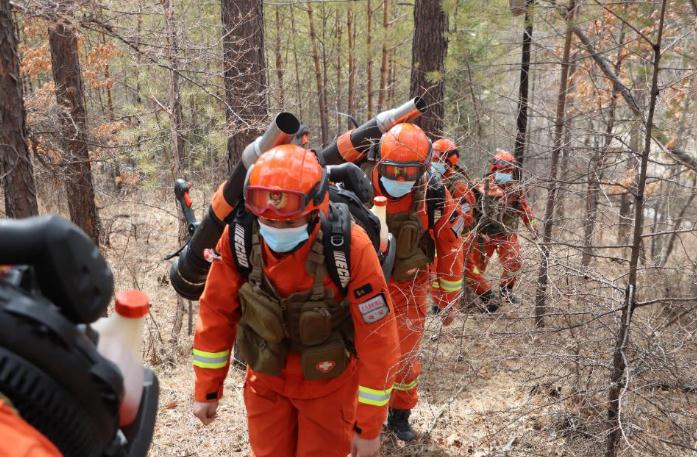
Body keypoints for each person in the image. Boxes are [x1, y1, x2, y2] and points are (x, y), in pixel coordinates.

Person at [191, 144, 400, 457]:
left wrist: (368, 427)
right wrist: (207, 388)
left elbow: (378, 338)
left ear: (316, 211)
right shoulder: (239, 238)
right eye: (268, 221)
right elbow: (216, 312)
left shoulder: (348, 246)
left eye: (289, 223)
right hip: (266, 383)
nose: (277, 229)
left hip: (329, 388)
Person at [355, 123, 465, 441]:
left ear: (424, 168)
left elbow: (450, 245)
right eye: (393, 171)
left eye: (409, 173)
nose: (400, 179)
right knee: (359, 357)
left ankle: (400, 415)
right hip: (363, 289)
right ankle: (359, 418)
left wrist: (448, 300)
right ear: (379, 161)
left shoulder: (434, 192)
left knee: (404, 358)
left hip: (409, 286)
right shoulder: (358, 183)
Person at [469, 149, 537, 311]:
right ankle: (475, 294)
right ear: (494, 169)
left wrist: (533, 227)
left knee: (514, 262)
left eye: (508, 171)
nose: (506, 174)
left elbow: (524, 209)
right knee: (475, 267)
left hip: (506, 233)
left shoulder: (515, 189)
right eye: (503, 170)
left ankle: (506, 290)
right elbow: (470, 210)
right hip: (484, 234)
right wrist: (471, 230)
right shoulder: (481, 186)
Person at [429, 138, 476, 314]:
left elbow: (467, 217)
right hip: (437, 233)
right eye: (433, 158)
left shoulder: (458, 184)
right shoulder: (432, 179)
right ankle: (438, 304)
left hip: (454, 236)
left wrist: (449, 223)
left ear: (449, 161)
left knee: (455, 272)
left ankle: (453, 305)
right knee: (435, 270)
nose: (434, 163)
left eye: (438, 159)